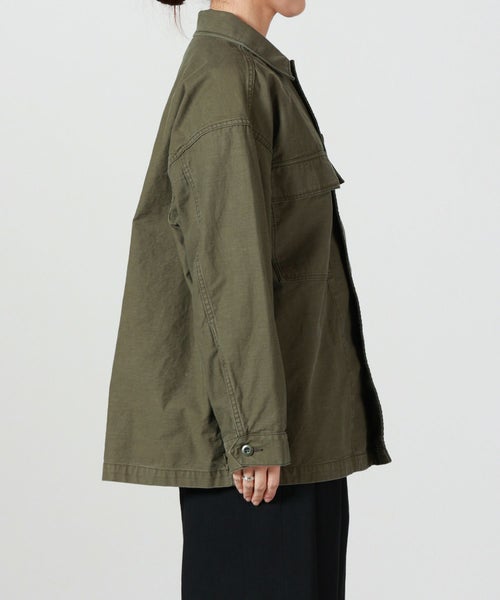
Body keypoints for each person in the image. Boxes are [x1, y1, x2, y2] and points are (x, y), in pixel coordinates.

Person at [101, 1, 392, 598]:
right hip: (260, 463)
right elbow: (226, 273)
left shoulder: (251, 73)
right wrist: (253, 433)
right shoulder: (226, 82)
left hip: (293, 439)